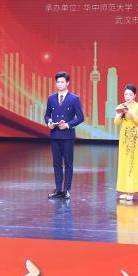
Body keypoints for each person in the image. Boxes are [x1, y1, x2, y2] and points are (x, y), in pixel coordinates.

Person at [43, 71, 85, 199]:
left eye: (62, 82)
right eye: (58, 82)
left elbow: (81, 117)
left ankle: (66, 190)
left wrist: (68, 125)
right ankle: (58, 189)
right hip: (55, 135)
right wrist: (49, 122)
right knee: (56, 164)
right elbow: (47, 115)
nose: (59, 84)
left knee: (68, 163)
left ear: (67, 83)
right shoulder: (51, 98)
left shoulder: (74, 99)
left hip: (67, 135)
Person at [114, 83, 138, 201]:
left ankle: (131, 191)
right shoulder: (120, 106)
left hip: (133, 135)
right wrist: (120, 115)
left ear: (135, 95)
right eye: (126, 94)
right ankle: (125, 190)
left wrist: (132, 115)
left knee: (132, 162)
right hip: (124, 136)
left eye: (130, 94)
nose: (127, 97)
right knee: (124, 162)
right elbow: (116, 122)